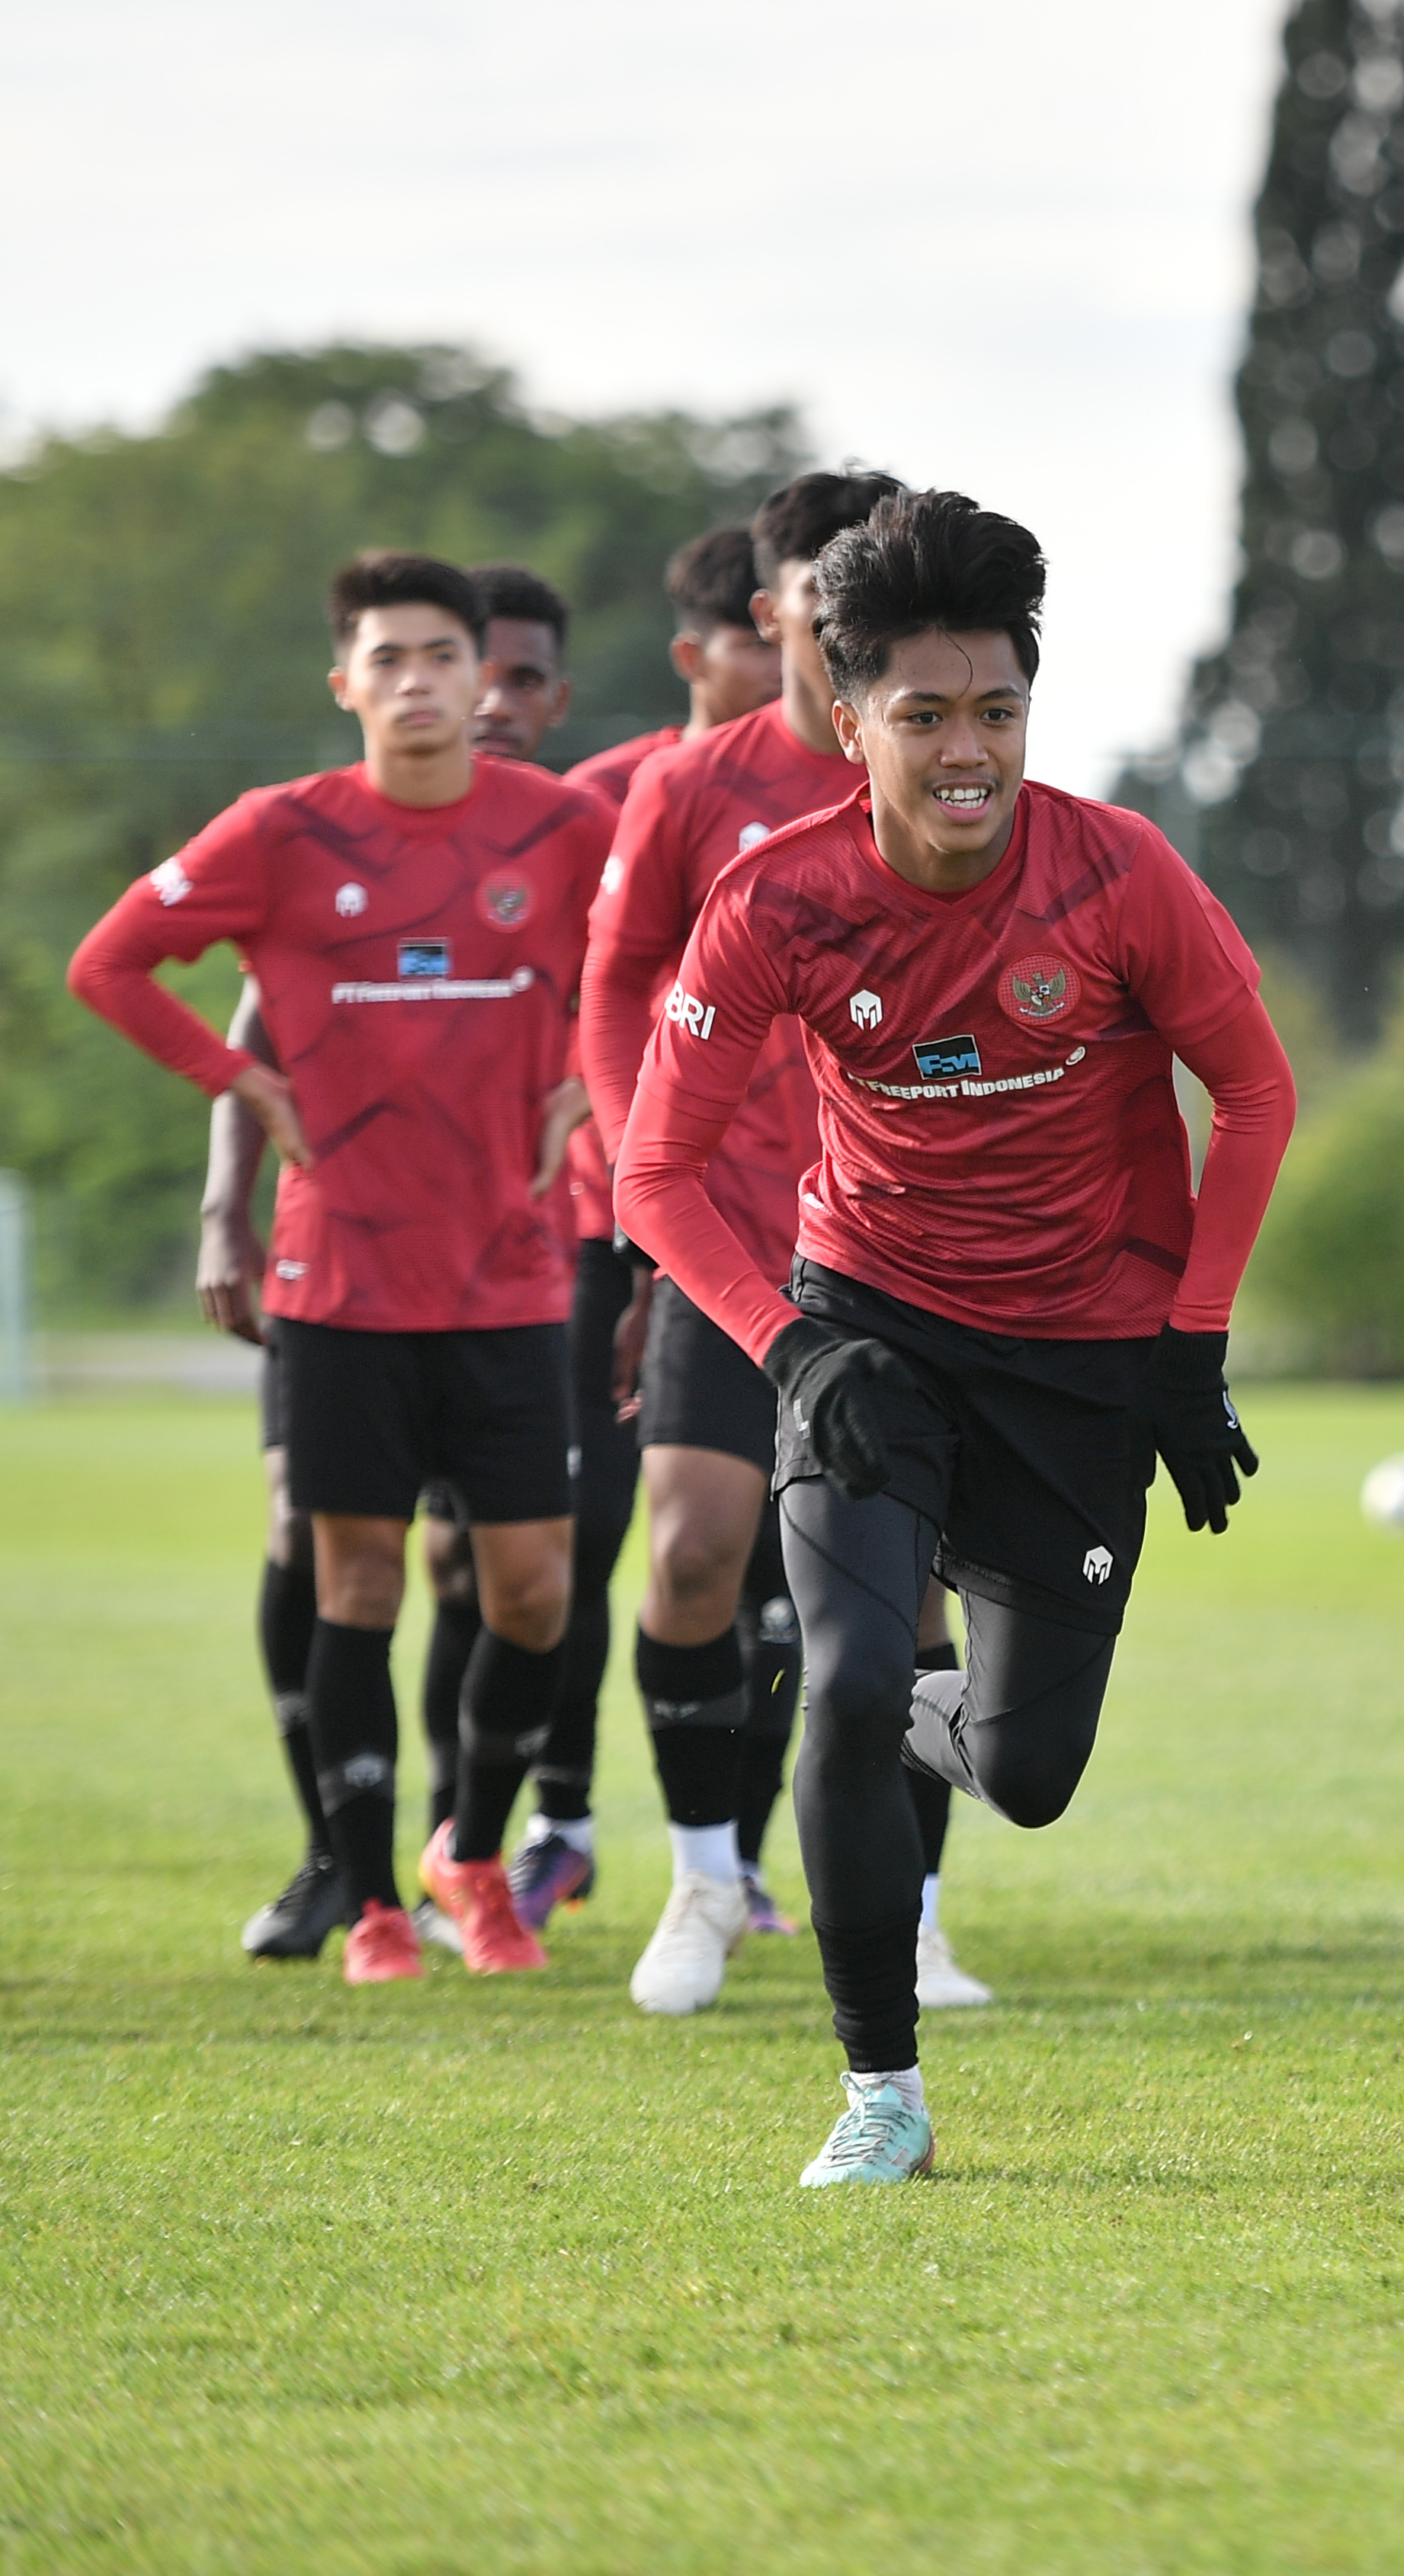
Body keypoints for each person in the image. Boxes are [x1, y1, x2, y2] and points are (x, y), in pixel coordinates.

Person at [615, 489, 1295, 2186]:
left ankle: (872, 1693)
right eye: (924, 714)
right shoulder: (780, 897)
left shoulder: (1119, 870)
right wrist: (791, 1348)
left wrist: (1188, 1351)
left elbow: (1260, 1091)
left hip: (1078, 1356)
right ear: (851, 720)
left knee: (1028, 1770)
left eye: (997, 708)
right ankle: (881, 2093)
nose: (967, 747)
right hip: (873, 1333)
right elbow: (656, 1171)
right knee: (851, 1689)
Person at [73, 553, 614, 1982]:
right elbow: (111, 963)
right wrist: (239, 1086)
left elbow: (671, 961)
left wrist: (593, 1086)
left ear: (482, 677)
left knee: (535, 1594)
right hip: (342, 1285)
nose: (424, 679)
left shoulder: (561, 826)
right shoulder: (280, 831)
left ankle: (473, 1856)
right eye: (391, 657)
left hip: (509, 1274)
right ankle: (374, 1901)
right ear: (347, 683)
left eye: (448, 654)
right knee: (357, 1583)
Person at [585, 471, 982, 2020]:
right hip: (733, 1242)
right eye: (824, 599)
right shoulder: (689, 792)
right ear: (778, 616)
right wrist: (642, 1170)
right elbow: (614, 987)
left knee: (920, 1597)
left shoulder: (955, 772)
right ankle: (702, 1874)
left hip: (909, 1249)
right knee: (689, 1548)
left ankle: (926, 1910)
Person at [505, 524, 787, 1927]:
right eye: (758, 624)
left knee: (788, 1580)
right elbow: (574, 998)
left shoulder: (907, 780)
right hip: (630, 1229)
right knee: (590, 1537)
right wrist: (629, 1197)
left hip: (814, 1233)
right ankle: (556, 1816)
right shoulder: (623, 797)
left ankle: (747, 1861)